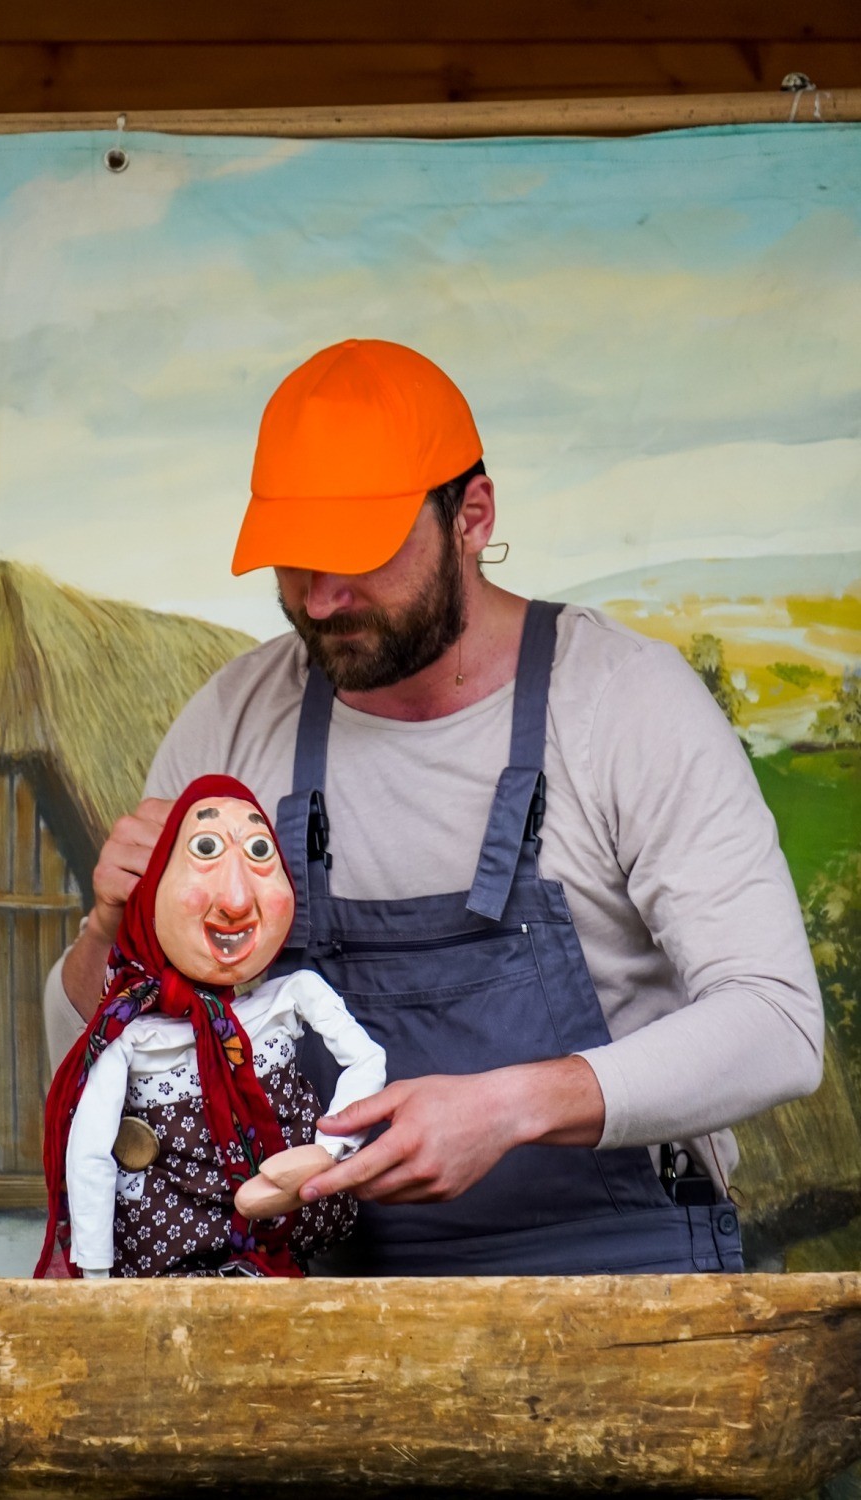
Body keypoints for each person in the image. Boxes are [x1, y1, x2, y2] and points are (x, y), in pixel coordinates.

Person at [45, 337, 824, 1276]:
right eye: (294, 562)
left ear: (472, 516)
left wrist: (510, 1106)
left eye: (359, 555)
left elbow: (778, 1026)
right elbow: (103, 1061)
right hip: (310, 1286)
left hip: (620, 1272)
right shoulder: (234, 722)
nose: (321, 600)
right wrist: (110, 931)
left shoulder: (624, 703)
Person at [37, 775, 385, 1280]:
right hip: (168, 1280)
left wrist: (328, 1150)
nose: (237, 899)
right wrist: (96, 1280)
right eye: (206, 849)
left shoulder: (293, 997)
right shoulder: (132, 1039)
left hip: (290, 1262)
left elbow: (368, 1061)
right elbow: (89, 1154)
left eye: (260, 851)